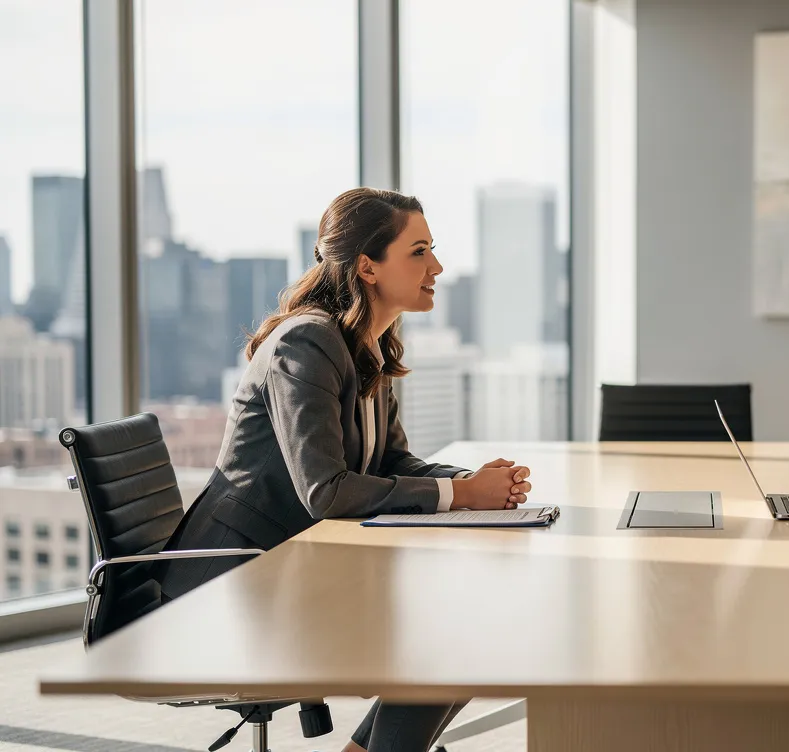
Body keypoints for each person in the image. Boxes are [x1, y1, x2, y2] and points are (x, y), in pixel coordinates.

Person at [156, 187, 532, 752]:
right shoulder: (307, 342)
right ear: (367, 266)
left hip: (291, 571)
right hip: (233, 586)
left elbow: (394, 463)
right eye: (419, 251)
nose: (437, 267)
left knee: (462, 623)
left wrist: (475, 484)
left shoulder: (364, 343)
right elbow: (325, 493)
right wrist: (462, 496)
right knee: (451, 629)